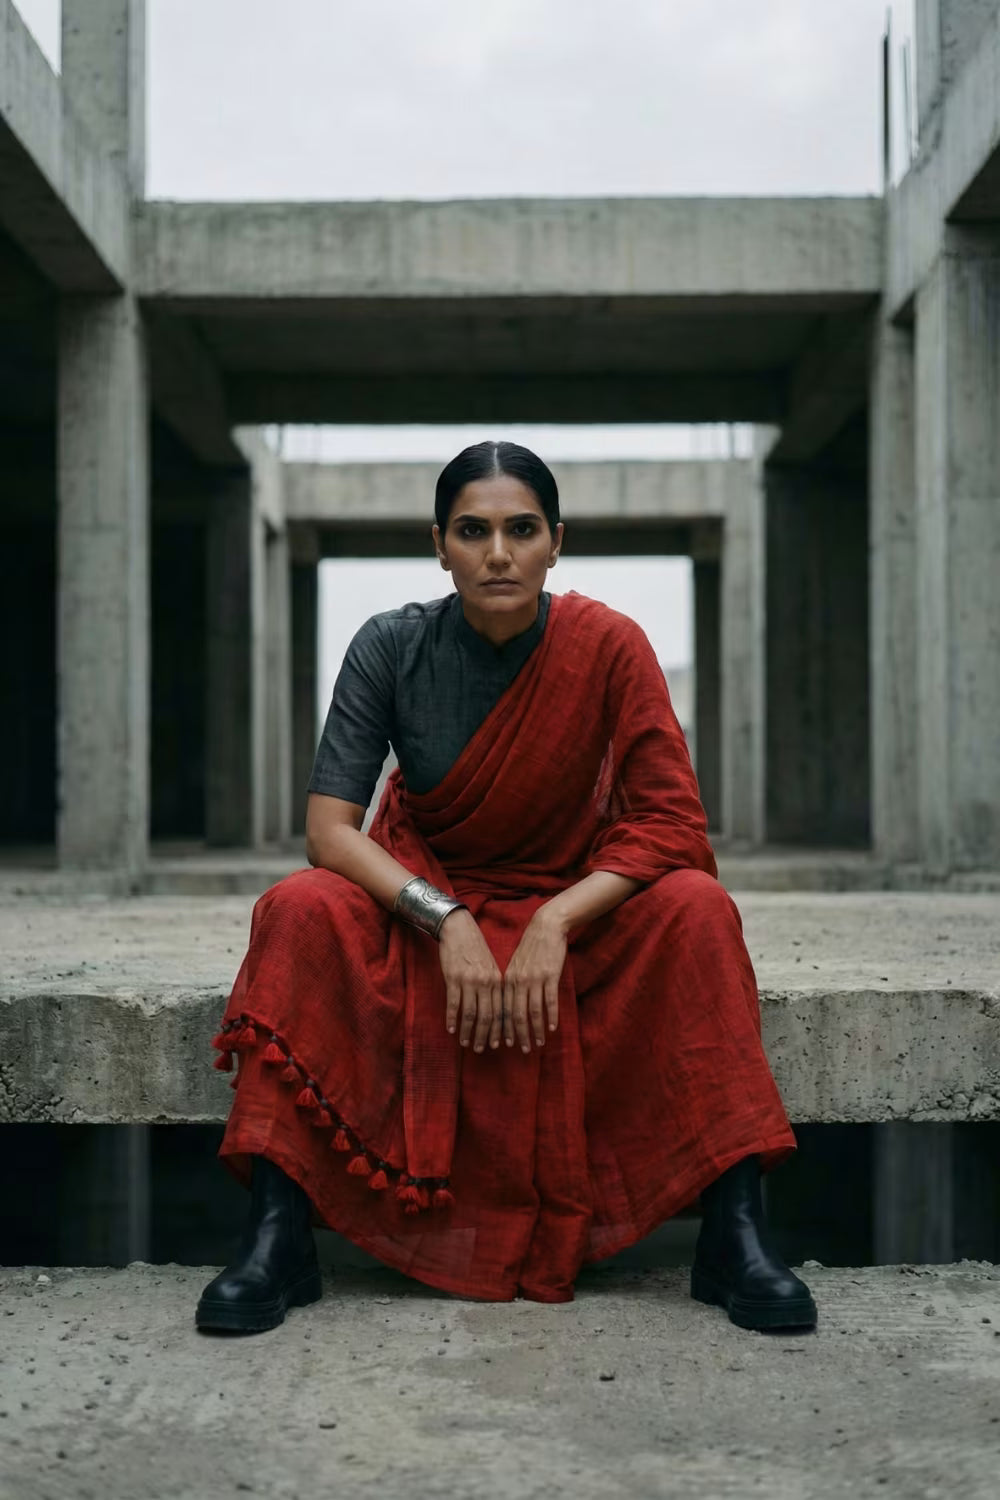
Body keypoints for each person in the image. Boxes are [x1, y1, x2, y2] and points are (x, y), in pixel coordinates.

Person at [196, 440, 817, 1336]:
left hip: (571, 907)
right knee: (296, 909)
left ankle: (735, 1230)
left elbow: (674, 826)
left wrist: (558, 919)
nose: (498, 553)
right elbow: (330, 832)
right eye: (473, 531)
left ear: (555, 542)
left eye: (521, 530)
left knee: (697, 908)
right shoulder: (391, 646)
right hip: (429, 903)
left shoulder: (608, 646)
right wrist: (441, 918)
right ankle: (278, 1232)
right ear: (439, 545)